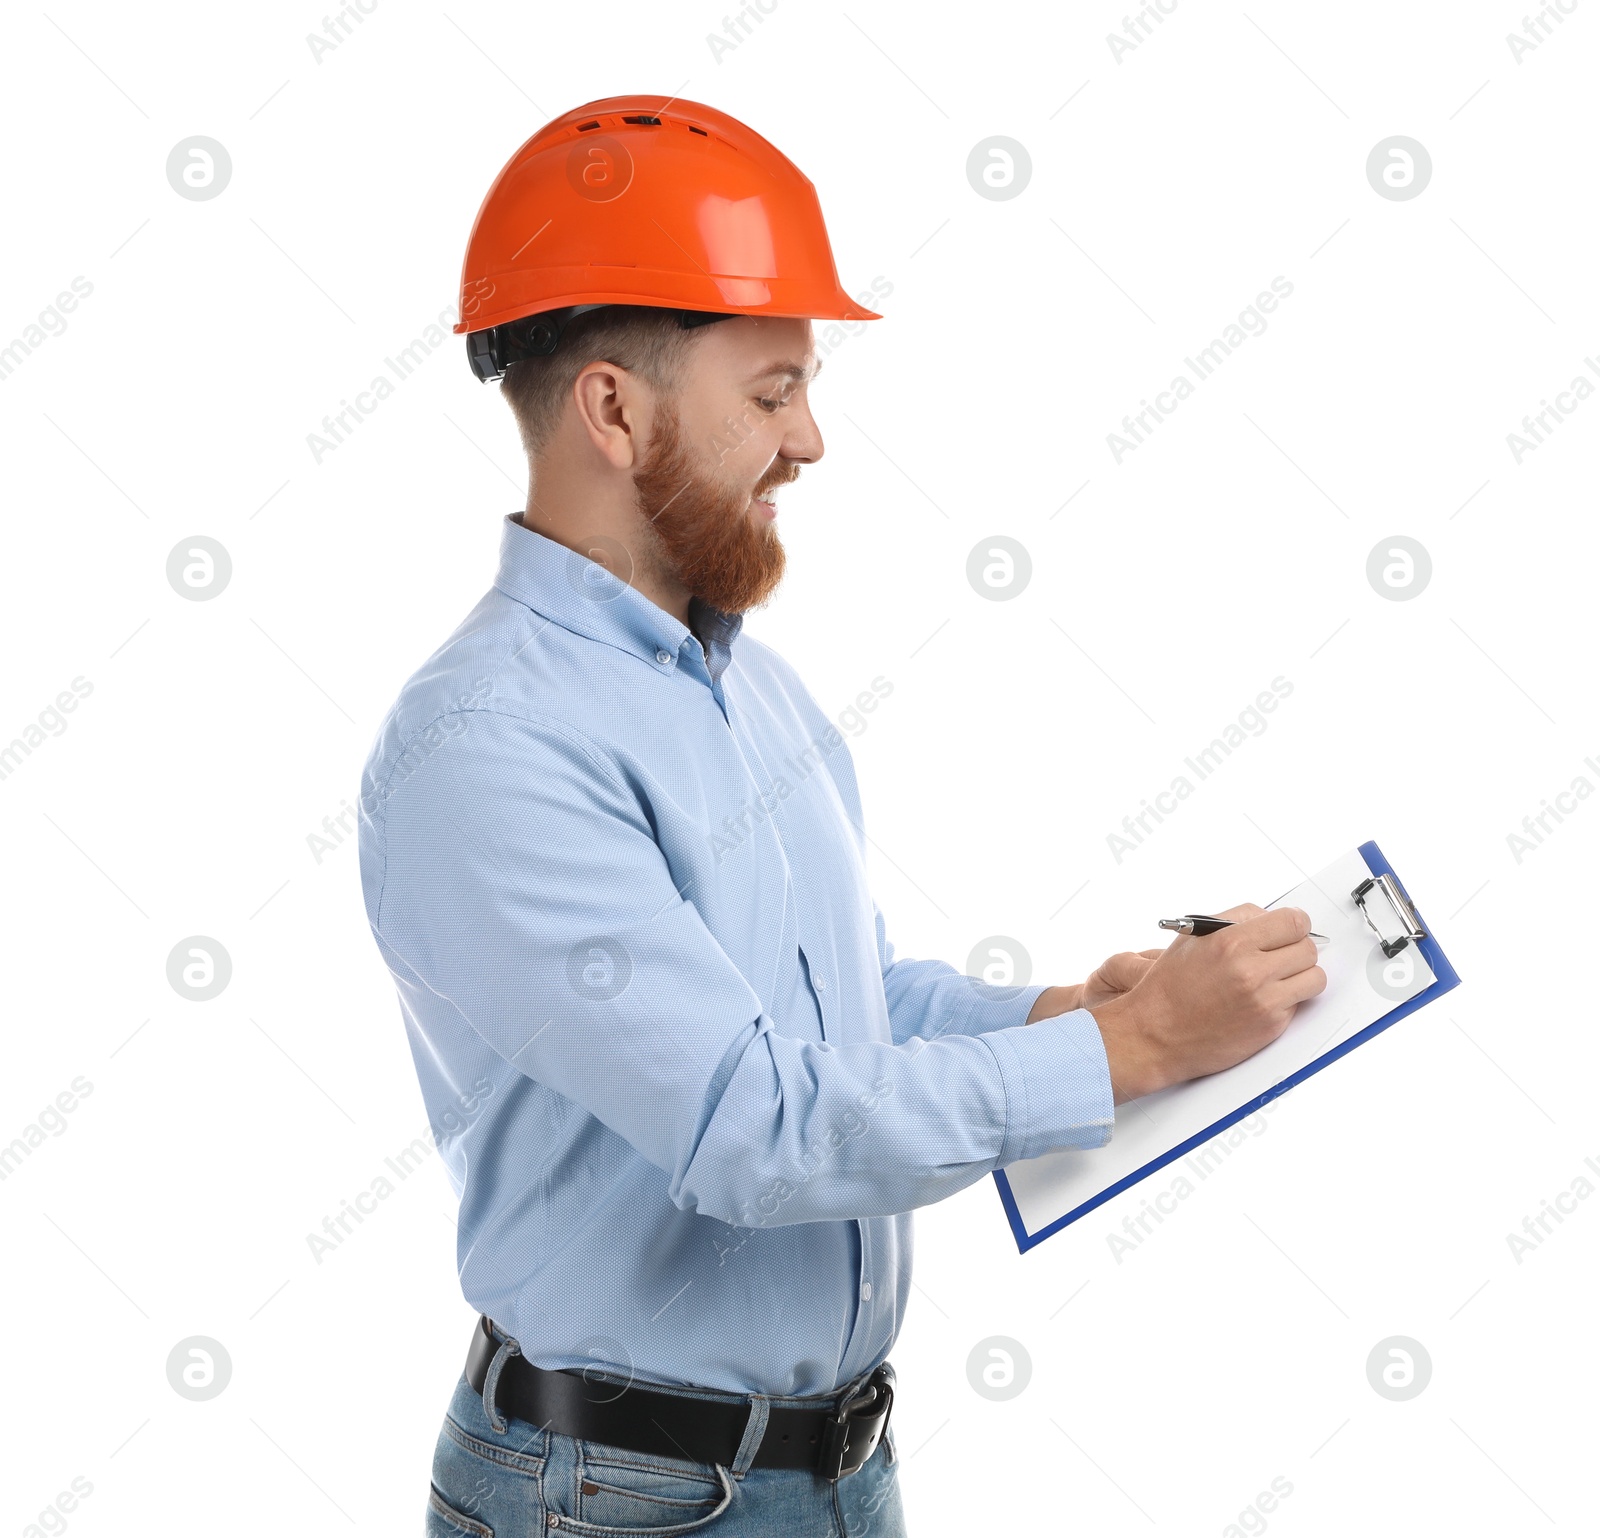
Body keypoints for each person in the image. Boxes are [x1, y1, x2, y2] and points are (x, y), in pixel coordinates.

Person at [356, 94, 1326, 1538]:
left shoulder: (755, 693)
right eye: (770, 389)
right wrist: (1130, 1049)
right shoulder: (485, 747)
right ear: (613, 408)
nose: (811, 437)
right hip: (614, 1501)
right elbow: (754, 1126)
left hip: (828, 1470)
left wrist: (1065, 1009)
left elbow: (843, 1013)